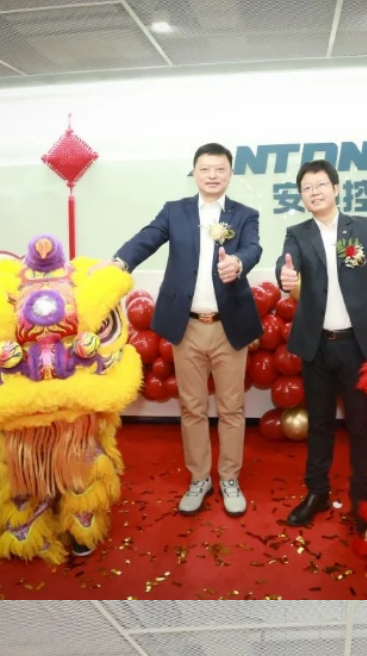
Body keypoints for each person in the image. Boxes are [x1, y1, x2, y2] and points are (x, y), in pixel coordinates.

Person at [110, 143, 263, 516]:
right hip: (188, 326)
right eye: (205, 168)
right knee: (192, 407)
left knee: (231, 408)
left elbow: (253, 248)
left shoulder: (245, 214)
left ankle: (229, 477)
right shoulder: (174, 211)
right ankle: (199, 478)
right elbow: (146, 238)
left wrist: (238, 263)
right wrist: (120, 261)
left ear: (230, 174)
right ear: (195, 172)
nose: (212, 175)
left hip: (229, 326)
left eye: (220, 169)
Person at [275, 159, 367, 534]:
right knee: (320, 424)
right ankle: (317, 492)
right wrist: (285, 273)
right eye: (307, 188)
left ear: (336, 188)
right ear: (301, 196)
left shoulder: (363, 227)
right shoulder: (297, 233)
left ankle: (362, 497)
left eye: (320, 185)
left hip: (359, 347)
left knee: (361, 426)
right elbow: (287, 261)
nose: (314, 192)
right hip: (317, 347)